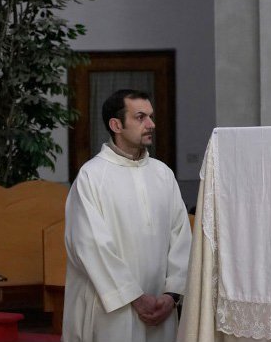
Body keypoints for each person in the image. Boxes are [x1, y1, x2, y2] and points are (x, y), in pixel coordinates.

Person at [63, 89, 192, 342]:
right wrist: (135, 297)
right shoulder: (92, 176)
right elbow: (90, 246)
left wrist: (172, 294)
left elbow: (181, 236)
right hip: (112, 308)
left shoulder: (163, 174)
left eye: (151, 117)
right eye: (140, 117)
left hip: (161, 307)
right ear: (116, 125)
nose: (151, 124)